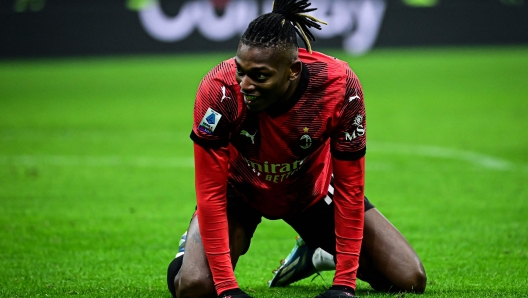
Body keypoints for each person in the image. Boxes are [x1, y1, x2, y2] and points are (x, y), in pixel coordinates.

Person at [166, 0, 427, 297]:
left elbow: (350, 188)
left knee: (409, 279)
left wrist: (344, 286)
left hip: (311, 191)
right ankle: (188, 251)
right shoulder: (219, 89)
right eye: (241, 71)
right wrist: (227, 290)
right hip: (239, 190)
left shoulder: (339, 87)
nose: (245, 84)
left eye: (260, 75)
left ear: (293, 71)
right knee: (195, 288)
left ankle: (319, 252)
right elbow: (210, 192)